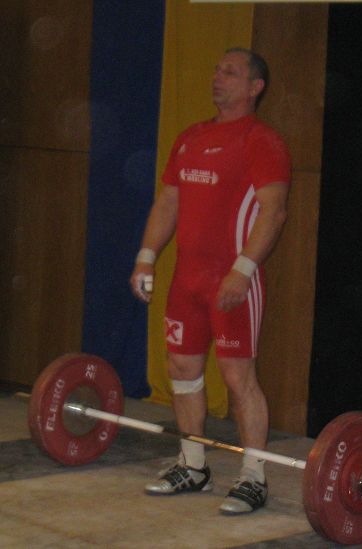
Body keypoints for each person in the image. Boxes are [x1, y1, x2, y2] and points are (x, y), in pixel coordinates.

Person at [129, 48, 291, 515]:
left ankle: (253, 478)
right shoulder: (191, 137)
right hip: (187, 281)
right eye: (217, 69)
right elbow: (168, 203)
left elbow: (274, 211)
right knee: (182, 369)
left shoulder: (262, 141)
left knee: (238, 378)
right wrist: (146, 258)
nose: (218, 77)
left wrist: (243, 270)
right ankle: (193, 466)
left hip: (233, 282)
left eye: (231, 72)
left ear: (255, 87)